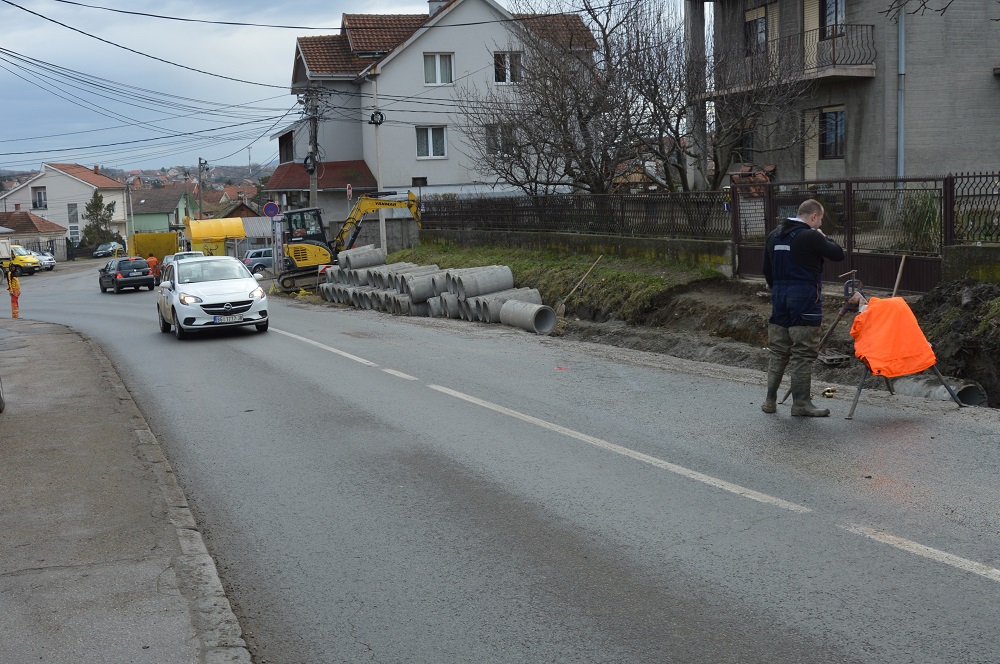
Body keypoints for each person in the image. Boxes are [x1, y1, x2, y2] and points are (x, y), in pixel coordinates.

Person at [761, 199, 845, 417]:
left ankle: (770, 400)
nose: (820, 223)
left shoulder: (774, 235)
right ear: (814, 217)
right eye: (821, 219)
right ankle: (800, 404)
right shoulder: (809, 236)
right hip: (804, 300)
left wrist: (778, 290)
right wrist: (823, 236)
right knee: (803, 353)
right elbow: (838, 253)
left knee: (779, 351)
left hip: (779, 298)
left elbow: (766, 270)